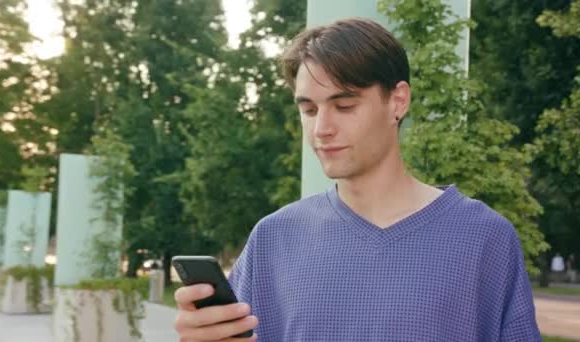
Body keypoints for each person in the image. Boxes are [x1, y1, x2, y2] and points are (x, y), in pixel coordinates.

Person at [173, 18, 540, 341]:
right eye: (309, 109)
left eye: (344, 106)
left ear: (398, 101)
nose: (322, 129)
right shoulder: (273, 239)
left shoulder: (484, 238)